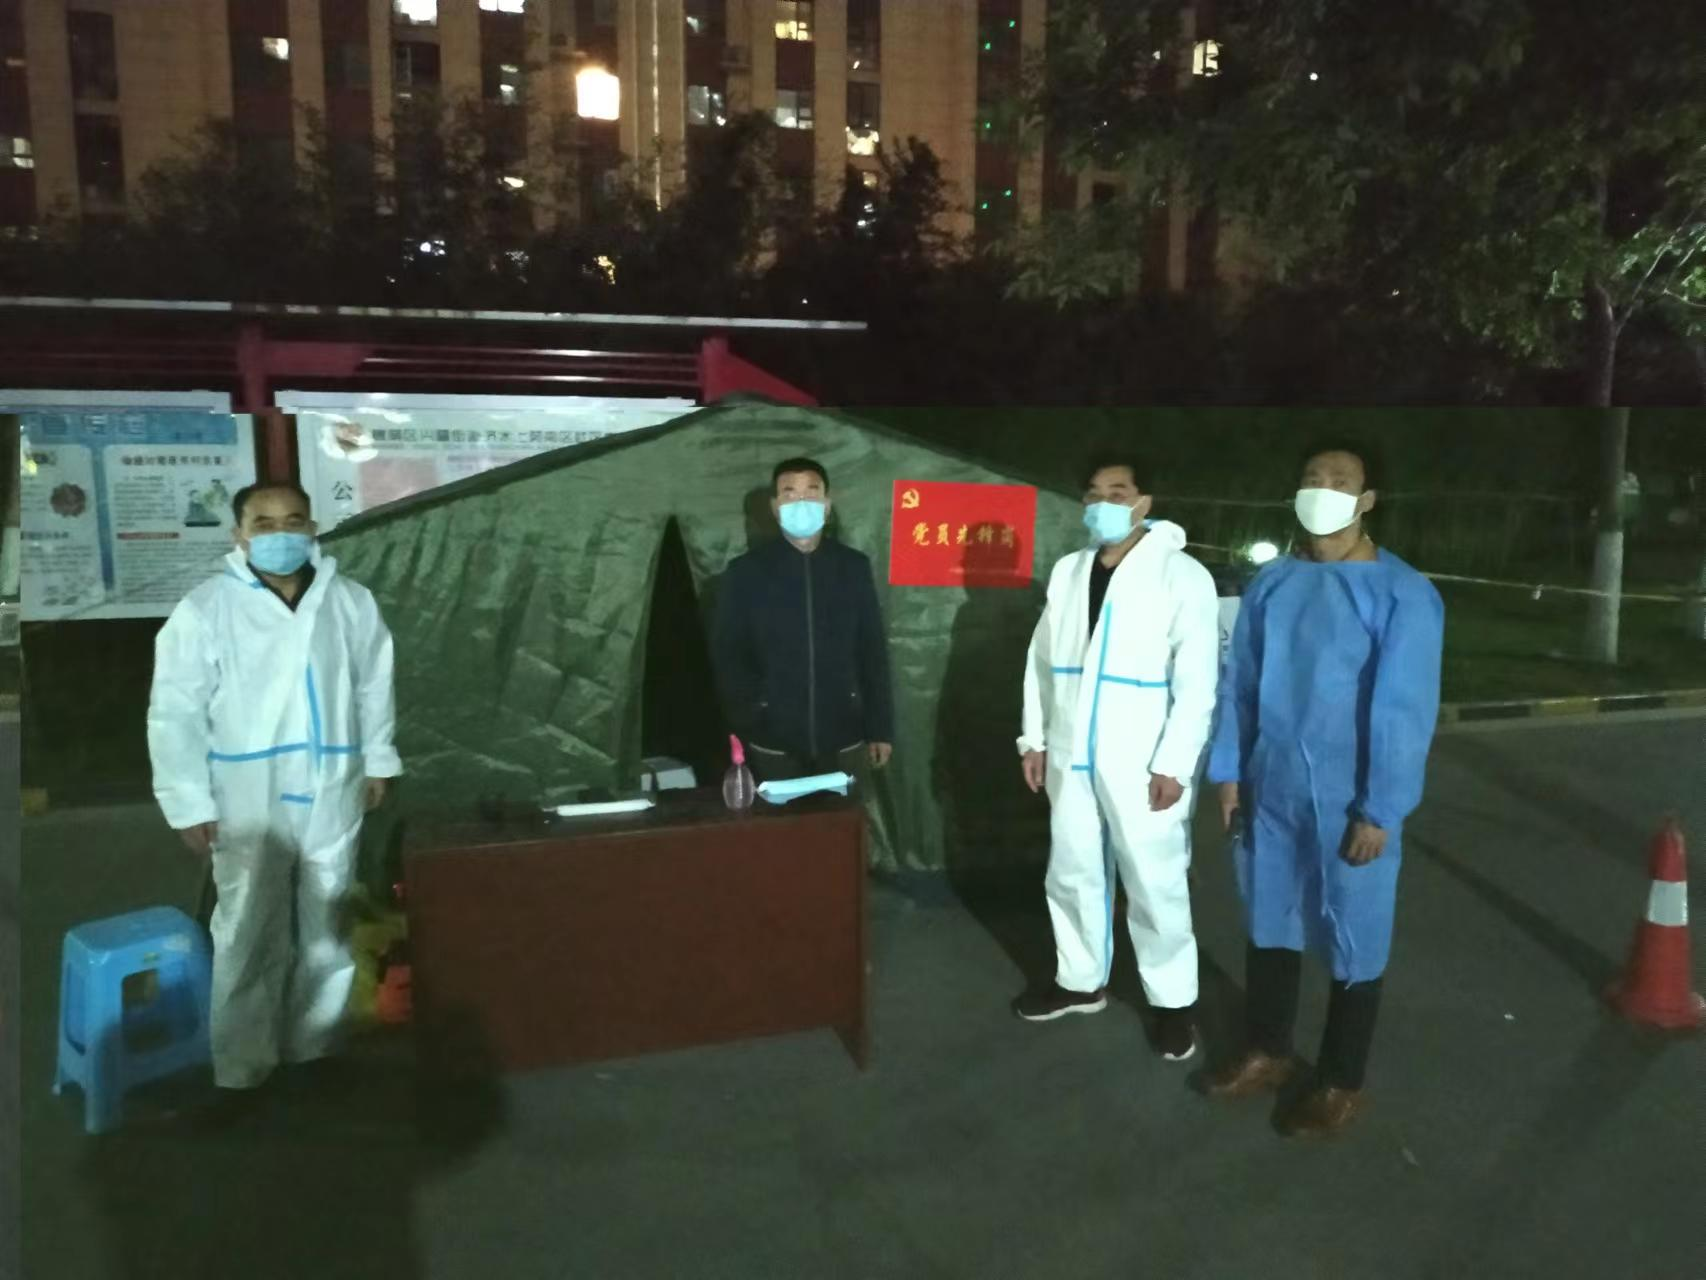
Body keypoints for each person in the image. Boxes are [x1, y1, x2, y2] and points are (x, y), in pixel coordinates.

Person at [1204, 441, 1444, 1136]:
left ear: (1367, 501)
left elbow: (1403, 710)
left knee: (1355, 933)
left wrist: (1381, 808)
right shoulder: (1273, 583)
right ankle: (1269, 1050)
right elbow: (1240, 685)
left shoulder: (1401, 594)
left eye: (1341, 481)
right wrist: (1229, 771)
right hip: (1270, 789)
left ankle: (1341, 1079)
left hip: (1351, 800)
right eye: (1312, 477)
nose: (1323, 489)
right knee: (1268, 918)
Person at [148, 482, 402, 1124]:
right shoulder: (206, 609)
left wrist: (377, 758)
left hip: (333, 776)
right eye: (262, 523)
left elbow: (374, 683)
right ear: (238, 534)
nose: (279, 533)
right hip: (246, 786)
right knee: (247, 924)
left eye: (293, 520)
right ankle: (242, 1070)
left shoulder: (348, 601)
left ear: (313, 529)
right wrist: (187, 799)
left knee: (328, 917)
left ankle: (316, 1049)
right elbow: (174, 710)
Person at [1014, 456, 1220, 1062]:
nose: (1103, 503)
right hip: (1070, 749)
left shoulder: (1181, 575)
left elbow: (1198, 679)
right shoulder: (1070, 570)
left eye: (1118, 492)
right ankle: (1080, 981)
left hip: (1142, 758)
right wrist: (1034, 739)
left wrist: (1174, 763)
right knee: (1072, 868)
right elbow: (1041, 661)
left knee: (1154, 879)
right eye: (1093, 493)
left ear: (1144, 502)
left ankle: (1174, 1003)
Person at [713, 457, 894, 783]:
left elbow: (872, 651)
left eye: (811, 492)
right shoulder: (746, 572)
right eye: (789, 493)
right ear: (775, 507)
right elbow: (730, 653)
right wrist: (754, 712)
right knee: (779, 817)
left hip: (845, 737)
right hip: (772, 741)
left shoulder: (853, 567)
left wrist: (880, 728)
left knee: (845, 816)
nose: (801, 502)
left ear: (827, 504)